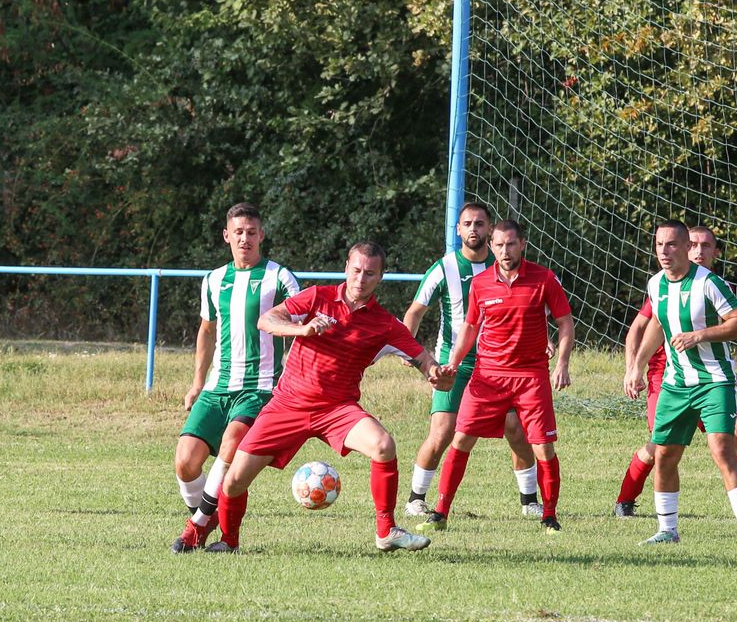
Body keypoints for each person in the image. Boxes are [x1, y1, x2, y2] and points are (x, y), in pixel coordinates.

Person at [203, 241, 455, 554]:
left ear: (381, 278)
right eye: (357, 270)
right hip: (287, 404)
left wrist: (436, 374)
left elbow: (423, 360)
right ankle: (228, 542)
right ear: (346, 268)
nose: (361, 278)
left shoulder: (386, 324)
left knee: (383, 446)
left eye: (370, 273)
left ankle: (386, 531)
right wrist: (303, 330)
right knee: (234, 481)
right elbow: (266, 320)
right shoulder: (317, 297)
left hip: (338, 409)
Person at [615, 226, 737, 521]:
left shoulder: (712, 285)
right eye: (694, 245)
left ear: (715, 253)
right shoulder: (662, 284)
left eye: (706, 246)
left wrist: (729, 369)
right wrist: (634, 368)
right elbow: (642, 328)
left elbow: (731, 328)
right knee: (660, 447)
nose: (699, 251)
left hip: (711, 380)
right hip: (667, 379)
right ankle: (625, 500)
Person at [422, 219, 575, 533]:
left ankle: (549, 516)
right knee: (461, 439)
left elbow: (565, 322)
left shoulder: (544, 279)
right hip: (488, 376)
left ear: (523, 245)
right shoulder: (481, 284)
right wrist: (454, 361)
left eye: (511, 244)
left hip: (531, 378)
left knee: (543, 447)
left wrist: (562, 363)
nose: (505, 251)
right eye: (499, 245)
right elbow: (470, 327)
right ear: (491, 247)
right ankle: (440, 512)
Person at [399, 201, 543, 520]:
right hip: (457, 365)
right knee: (444, 431)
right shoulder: (444, 268)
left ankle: (529, 500)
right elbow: (414, 312)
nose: (473, 229)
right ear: (458, 230)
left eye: (480, 224)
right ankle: (416, 498)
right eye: (468, 224)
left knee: (515, 428)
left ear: (489, 230)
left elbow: (531, 305)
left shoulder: (507, 263)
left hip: (501, 365)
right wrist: (411, 350)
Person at [170, 203, 300, 552]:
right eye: (238, 232)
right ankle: (209, 515)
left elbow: (299, 328)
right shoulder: (213, 279)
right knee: (185, 462)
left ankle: (196, 526)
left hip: (259, 389)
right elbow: (207, 331)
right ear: (227, 235)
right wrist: (197, 383)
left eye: (252, 232)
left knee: (231, 444)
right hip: (217, 387)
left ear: (262, 235)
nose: (245, 238)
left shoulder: (279, 277)